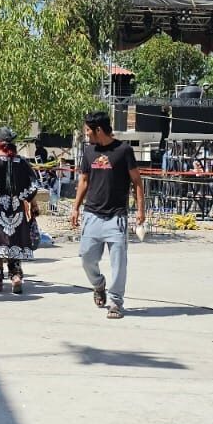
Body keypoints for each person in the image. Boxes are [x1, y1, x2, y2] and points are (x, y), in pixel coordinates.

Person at [72, 111, 144, 320]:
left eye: (88, 130)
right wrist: (76, 207)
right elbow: (84, 181)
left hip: (116, 217)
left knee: (119, 263)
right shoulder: (88, 151)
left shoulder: (124, 151)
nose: (86, 135)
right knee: (86, 257)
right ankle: (98, 284)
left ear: (99, 130)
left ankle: (115, 302)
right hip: (92, 214)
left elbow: (137, 182)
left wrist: (141, 210)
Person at [0, 129, 39, 294]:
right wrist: (31, 203)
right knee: (14, 242)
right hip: (16, 210)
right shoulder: (22, 162)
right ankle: (16, 276)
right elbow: (33, 185)